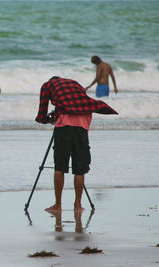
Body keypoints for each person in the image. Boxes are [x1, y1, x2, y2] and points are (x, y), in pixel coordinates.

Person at [35, 76, 118, 212]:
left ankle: (58, 205)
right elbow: (79, 103)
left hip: (64, 127)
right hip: (82, 125)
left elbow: (41, 114)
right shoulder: (75, 83)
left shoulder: (47, 85)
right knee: (80, 168)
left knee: (60, 167)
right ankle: (78, 205)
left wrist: (48, 119)